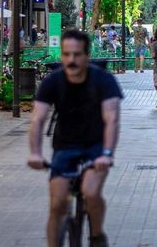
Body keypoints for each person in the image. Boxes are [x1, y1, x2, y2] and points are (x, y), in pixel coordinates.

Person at [27, 29, 123, 247]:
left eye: (77, 54)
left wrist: (107, 154)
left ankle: (97, 235)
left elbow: (112, 119)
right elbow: (37, 119)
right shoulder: (53, 81)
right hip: (65, 147)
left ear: (87, 55)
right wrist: (35, 153)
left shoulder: (103, 80)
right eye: (66, 54)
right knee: (57, 204)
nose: (71, 60)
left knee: (90, 192)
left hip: (96, 147)